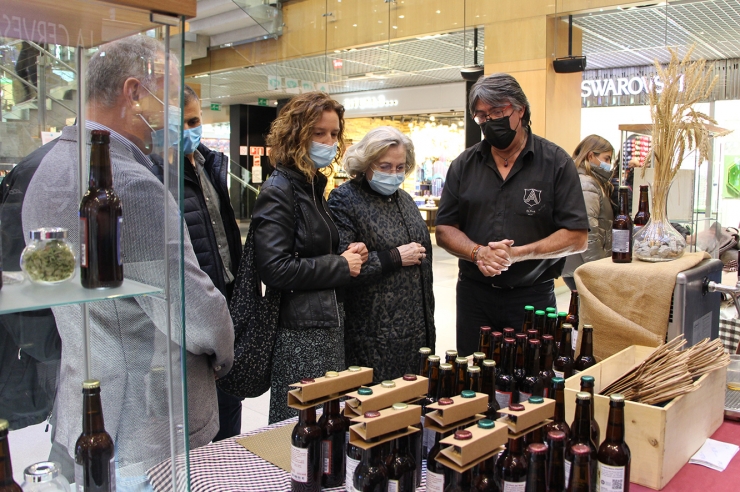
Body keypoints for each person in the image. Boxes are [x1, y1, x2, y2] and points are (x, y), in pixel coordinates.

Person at [19, 36, 234, 488]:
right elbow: (191, 309)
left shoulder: (49, 168)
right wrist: (224, 346)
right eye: (171, 99)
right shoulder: (130, 184)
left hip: (86, 403)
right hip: (148, 424)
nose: (174, 114)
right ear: (135, 92)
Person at [435, 73, 588, 357]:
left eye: (498, 111)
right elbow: (444, 228)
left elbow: (577, 236)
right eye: (481, 116)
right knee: (473, 378)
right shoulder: (464, 165)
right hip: (474, 295)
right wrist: (478, 252)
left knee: (531, 379)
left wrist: (519, 254)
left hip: (532, 296)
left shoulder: (555, 162)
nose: (489, 121)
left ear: (521, 109)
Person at [246, 92, 365, 423]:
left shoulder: (310, 185)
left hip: (323, 323)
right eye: (319, 132)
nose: (329, 141)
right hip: (301, 333)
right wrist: (340, 265)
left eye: (334, 133)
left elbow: (307, 248)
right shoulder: (280, 189)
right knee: (299, 425)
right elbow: (275, 268)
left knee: (324, 420)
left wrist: (344, 253)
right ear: (297, 134)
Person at [327, 126, 435, 383]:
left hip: (417, 329)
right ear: (366, 164)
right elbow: (343, 268)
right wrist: (394, 257)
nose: (394, 174)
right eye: (385, 166)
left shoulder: (405, 200)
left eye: (400, 167)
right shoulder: (345, 200)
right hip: (372, 335)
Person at [176, 85, 243, 441]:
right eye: (181, 122)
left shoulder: (209, 164)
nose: (190, 129)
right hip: (194, 312)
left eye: (194, 120)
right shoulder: (159, 174)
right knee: (200, 417)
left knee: (230, 406)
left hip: (226, 301)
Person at [562, 135, 615, 291]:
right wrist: (597, 267)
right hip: (585, 267)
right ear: (591, 155)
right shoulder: (586, 183)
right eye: (607, 158)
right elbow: (589, 230)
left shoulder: (593, 182)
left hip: (581, 265)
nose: (609, 164)